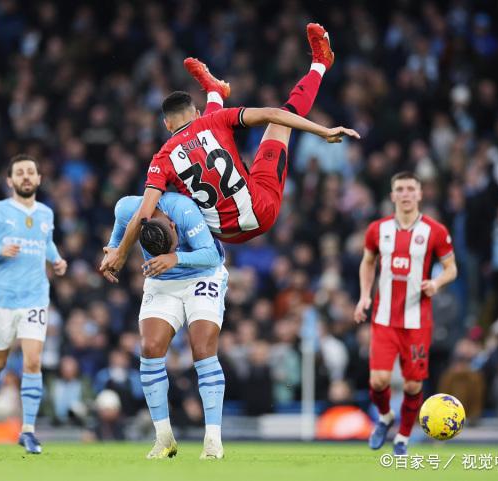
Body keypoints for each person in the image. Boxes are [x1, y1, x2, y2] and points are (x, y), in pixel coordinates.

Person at [100, 24, 359, 282]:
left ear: (167, 125)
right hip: (261, 209)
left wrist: (121, 254)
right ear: (197, 113)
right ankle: (320, 63)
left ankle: (216, 91)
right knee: (282, 119)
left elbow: (143, 215)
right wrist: (323, 131)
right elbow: (272, 113)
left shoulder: (161, 158)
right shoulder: (214, 121)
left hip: (223, 233)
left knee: (166, 199)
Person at [106, 192, 228, 459]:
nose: (173, 247)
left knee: (202, 347)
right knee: (149, 347)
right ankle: (163, 438)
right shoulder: (128, 209)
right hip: (161, 278)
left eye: (172, 244)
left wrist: (176, 257)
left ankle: (212, 440)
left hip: (203, 274)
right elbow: (119, 230)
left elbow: (210, 255)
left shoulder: (183, 210)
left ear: (172, 225)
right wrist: (113, 248)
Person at [0, 154, 67, 454]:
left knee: (33, 361)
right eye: (19, 173)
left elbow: (45, 242)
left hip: (35, 297)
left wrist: (57, 259)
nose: (25, 177)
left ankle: (29, 430)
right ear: (9, 180)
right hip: (2, 299)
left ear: (38, 179)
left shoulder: (47, 213)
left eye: (30, 172)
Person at [353, 171, 458, 455]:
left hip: (416, 320)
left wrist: (436, 282)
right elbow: (367, 262)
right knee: (378, 380)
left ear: (420, 194)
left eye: (411, 188)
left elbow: (452, 268)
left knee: (412, 384)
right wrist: (364, 296)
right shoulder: (378, 229)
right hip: (384, 317)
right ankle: (386, 417)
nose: (406, 193)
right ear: (392, 195)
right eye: (400, 189)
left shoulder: (435, 231)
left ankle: (402, 437)